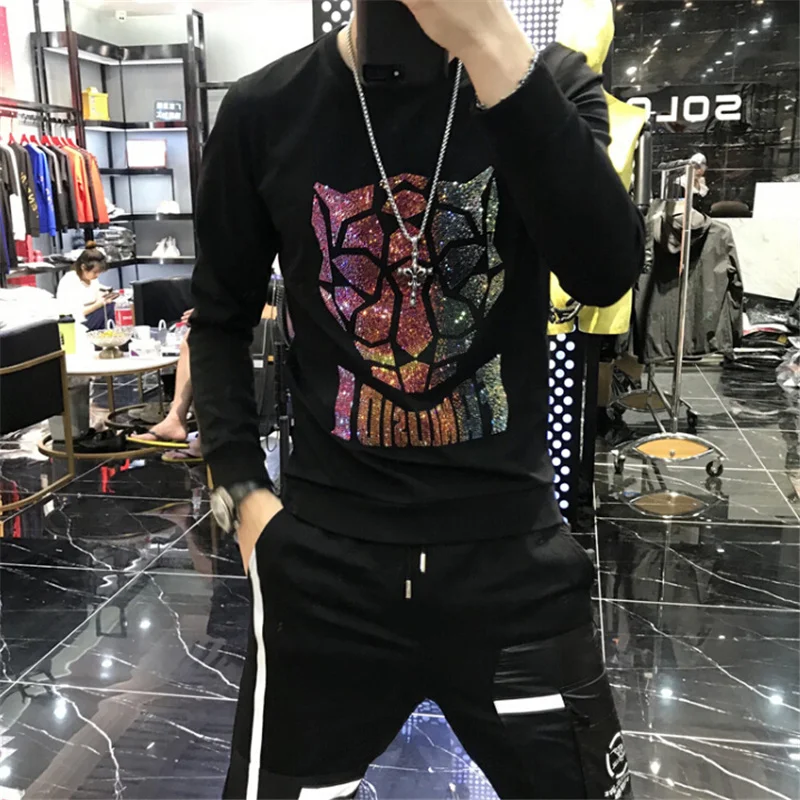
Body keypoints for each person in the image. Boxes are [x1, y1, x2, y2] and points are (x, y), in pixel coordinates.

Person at [191, 2, 644, 798]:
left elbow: (605, 272)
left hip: (511, 561)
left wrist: (491, 44)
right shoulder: (266, 108)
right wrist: (241, 495)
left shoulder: (545, 83)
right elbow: (220, 317)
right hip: (325, 567)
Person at [130, 304, 277, 462]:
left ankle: (202, 435)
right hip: (249, 315)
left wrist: (214, 312)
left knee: (203, 339)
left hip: (278, 321)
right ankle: (176, 419)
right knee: (193, 337)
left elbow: (276, 305)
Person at [56, 242, 116, 331]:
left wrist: (104, 297)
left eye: (99, 272)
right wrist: (99, 304)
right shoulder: (70, 280)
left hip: (90, 315)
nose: (97, 275)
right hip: (76, 321)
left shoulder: (93, 279)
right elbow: (75, 313)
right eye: (95, 272)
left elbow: (96, 296)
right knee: (110, 309)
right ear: (83, 267)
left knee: (114, 306)